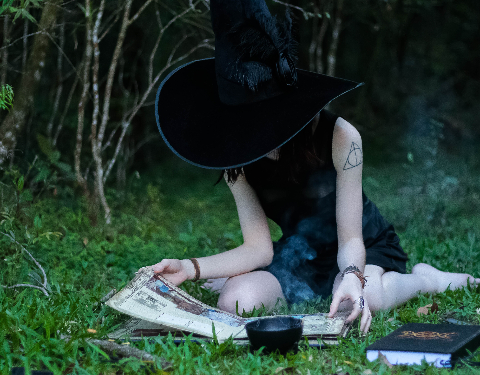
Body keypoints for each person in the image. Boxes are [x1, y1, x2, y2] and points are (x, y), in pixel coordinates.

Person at [150, 0, 479, 334]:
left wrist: (352, 277)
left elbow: (351, 238)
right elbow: (258, 248)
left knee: (366, 298)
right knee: (238, 301)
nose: (260, 134)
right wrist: (189, 268)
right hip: (300, 254)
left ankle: (425, 279)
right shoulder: (236, 157)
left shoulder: (341, 136)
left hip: (361, 247)